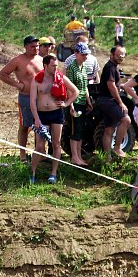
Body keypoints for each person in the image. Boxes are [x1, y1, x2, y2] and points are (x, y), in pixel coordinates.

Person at [29, 55, 79, 183]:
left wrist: (66, 104)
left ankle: (54, 173)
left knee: (56, 143)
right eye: (53, 66)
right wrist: (36, 119)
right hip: (41, 115)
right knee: (40, 146)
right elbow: (32, 102)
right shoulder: (37, 79)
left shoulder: (60, 77)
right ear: (45, 65)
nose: (55, 68)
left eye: (56, 66)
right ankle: (32, 172)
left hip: (56, 113)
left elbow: (75, 91)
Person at [0, 35, 43, 162]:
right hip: (26, 97)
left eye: (37, 46)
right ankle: (22, 154)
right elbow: (2, 74)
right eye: (33, 46)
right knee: (24, 126)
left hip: (41, 98)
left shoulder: (41, 59)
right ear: (26, 47)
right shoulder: (18, 60)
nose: (35, 48)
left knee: (40, 125)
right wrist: (17, 84)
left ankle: (39, 153)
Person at [96, 46, 131, 158]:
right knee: (126, 120)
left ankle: (107, 157)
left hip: (105, 100)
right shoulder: (110, 67)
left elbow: (114, 84)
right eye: (118, 55)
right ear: (111, 55)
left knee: (109, 129)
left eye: (123, 55)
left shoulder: (113, 67)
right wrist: (120, 102)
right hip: (108, 100)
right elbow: (111, 85)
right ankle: (117, 147)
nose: (121, 57)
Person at [65, 42, 92, 166]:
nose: (85, 57)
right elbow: (69, 87)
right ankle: (74, 157)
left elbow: (85, 86)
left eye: (86, 54)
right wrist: (70, 105)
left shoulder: (84, 67)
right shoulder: (71, 67)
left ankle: (79, 156)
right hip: (74, 101)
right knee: (74, 130)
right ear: (76, 53)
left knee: (80, 130)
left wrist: (88, 100)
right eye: (83, 54)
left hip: (82, 102)